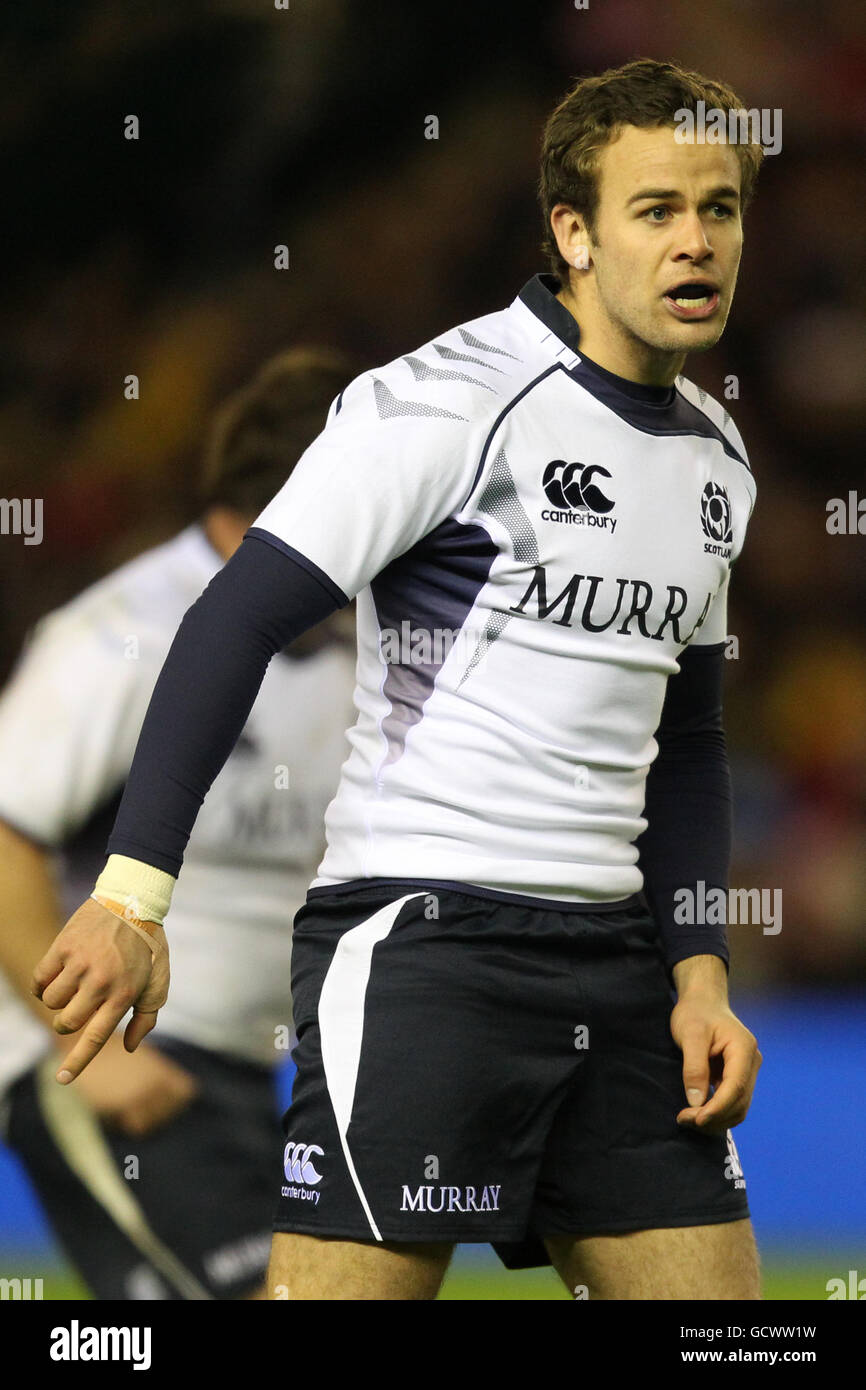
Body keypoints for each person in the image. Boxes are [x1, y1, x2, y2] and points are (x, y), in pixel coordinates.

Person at [33, 58, 766, 1301]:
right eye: (656, 210)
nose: (695, 242)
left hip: (623, 971)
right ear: (572, 233)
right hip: (429, 946)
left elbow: (683, 738)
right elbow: (231, 621)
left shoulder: (717, 455)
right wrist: (131, 894)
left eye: (720, 207)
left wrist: (700, 972)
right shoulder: (439, 404)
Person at [0, 348, 356, 1299]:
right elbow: (4, 834)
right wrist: (73, 1044)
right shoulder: (124, 632)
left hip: (253, 1074)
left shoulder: (351, 638)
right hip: (116, 1064)